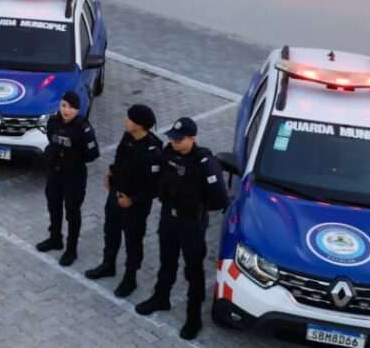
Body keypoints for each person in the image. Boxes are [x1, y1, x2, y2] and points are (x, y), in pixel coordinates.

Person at [134, 117, 230, 341]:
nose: (174, 142)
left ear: (192, 139)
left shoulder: (204, 161)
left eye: (179, 139)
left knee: (193, 270)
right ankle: (161, 298)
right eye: (173, 138)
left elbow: (219, 198)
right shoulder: (168, 153)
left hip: (191, 223)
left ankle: (193, 317)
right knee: (167, 261)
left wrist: (198, 208)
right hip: (169, 217)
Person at [85, 104, 163, 298]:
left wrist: (133, 200)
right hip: (116, 195)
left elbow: (154, 186)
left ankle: (130, 278)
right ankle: (108, 264)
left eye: (129, 118)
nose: (125, 120)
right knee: (110, 231)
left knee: (133, 241)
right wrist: (110, 175)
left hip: (135, 205)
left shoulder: (154, 151)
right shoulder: (128, 137)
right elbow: (120, 160)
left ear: (139, 125)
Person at [36, 91, 100, 266]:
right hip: (56, 173)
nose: (66, 110)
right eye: (64, 105)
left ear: (77, 110)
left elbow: (93, 153)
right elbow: (51, 139)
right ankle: (55, 238)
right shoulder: (54, 121)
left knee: (72, 212)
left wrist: (73, 157)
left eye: (71, 107)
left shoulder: (83, 127)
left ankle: (71, 249)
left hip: (74, 176)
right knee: (53, 205)